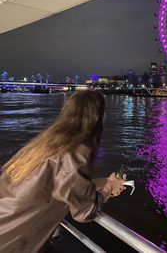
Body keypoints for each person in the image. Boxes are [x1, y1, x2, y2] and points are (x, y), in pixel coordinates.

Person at [0, 90, 125, 253]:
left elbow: (56, 184)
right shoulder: (75, 154)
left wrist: (104, 181)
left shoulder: (47, 143)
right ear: (98, 117)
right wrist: (109, 189)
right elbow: (86, 211)